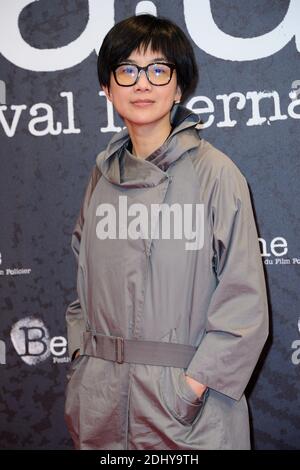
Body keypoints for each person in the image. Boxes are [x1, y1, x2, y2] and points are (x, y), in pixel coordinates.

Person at [64, 13, 269, 450]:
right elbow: (82, 283)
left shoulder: (215, 173)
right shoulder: (100, 178)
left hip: (187, 412)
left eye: (159, 70)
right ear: (107, 86)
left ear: (178, 88)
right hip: (100, 404)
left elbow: (244, 304)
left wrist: (190, 388)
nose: (143, 84)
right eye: (128, 70)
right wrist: (84, 358)